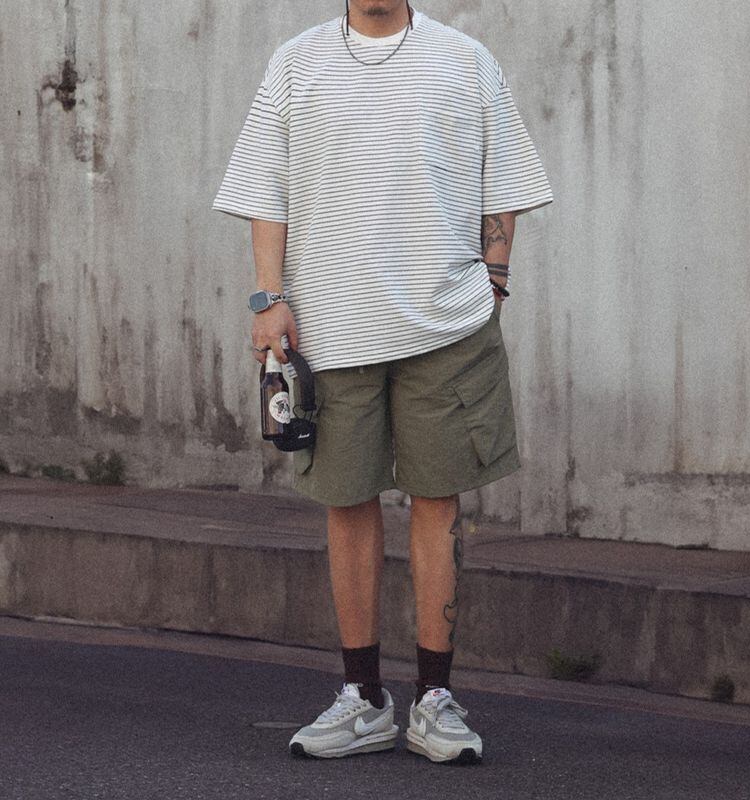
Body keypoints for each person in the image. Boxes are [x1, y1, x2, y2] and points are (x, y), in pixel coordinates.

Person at [212, 0, 553, 765]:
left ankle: (435, 700)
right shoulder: (295, 63)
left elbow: (505, 176)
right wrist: (268, 299)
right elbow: (265, 187)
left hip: (449, 328)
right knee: (347, 502)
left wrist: (495, 280)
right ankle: (363, 698)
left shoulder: (465, 60)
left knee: (438, 501)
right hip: (331, 327)